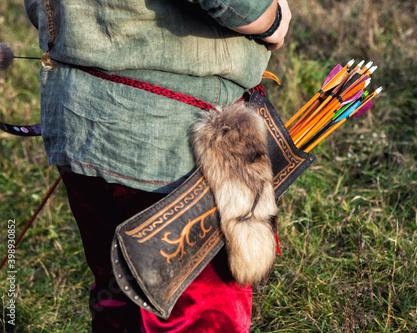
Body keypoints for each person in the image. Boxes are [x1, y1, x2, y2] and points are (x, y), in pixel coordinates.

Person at [23, 0, 291, 332]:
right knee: (198, 315)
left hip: (79, 119)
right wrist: (270, 17)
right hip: (174, 142)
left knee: (119, 299)